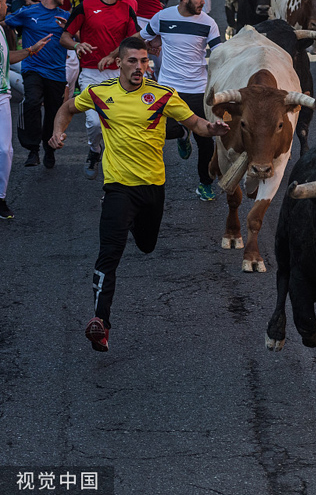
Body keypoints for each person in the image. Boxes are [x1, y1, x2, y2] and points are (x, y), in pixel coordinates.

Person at [48, 37, 229, 351]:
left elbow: (195, 122)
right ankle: (100, 323)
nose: (140, 67)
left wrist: (211, 129)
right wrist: (58, 131)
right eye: (132, 61)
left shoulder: (162, 95)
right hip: (118, 188)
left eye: (144, 61)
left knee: (146, 245)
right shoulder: (100, 93)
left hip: (152, 189)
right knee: (109, 255)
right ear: (118, 62)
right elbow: (67, 108)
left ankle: (132, 224)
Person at [139, 0, 221, 201]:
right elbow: (140, 39)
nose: (203, 1)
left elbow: (221, 53)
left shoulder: (208, 23)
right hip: (168, 89)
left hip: (198, 89)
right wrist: (127, 54)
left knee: (206, 140)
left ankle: (205, 183)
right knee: (162, 133)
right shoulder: (163, 17)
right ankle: (183, 133)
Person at [60, 0, 138, 180]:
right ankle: (94, 150)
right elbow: (65, 36)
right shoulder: (85, 7)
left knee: (120, 122)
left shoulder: (127, 8)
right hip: (91, 73)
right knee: (95, 122)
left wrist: (114, 55)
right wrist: (76, 45)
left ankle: (118, 169)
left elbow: (134, 39)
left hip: (119, 75)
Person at [3, 0, 69, 169]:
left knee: (53, 113)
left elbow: (77, 39)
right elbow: (5, 23)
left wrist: (67, 30)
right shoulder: (27, 12)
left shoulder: (65, 15)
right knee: (31, 100)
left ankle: (49, 150)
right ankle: (32, 150)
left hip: (56, 73)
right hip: (33, 69)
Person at [0, 0, 52, 219]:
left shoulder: (1, 30)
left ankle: (0, 198)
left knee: (5, 150)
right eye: (4, 2)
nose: (6, 6)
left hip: (2, 96)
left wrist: (31, 50)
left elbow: (7, 58)